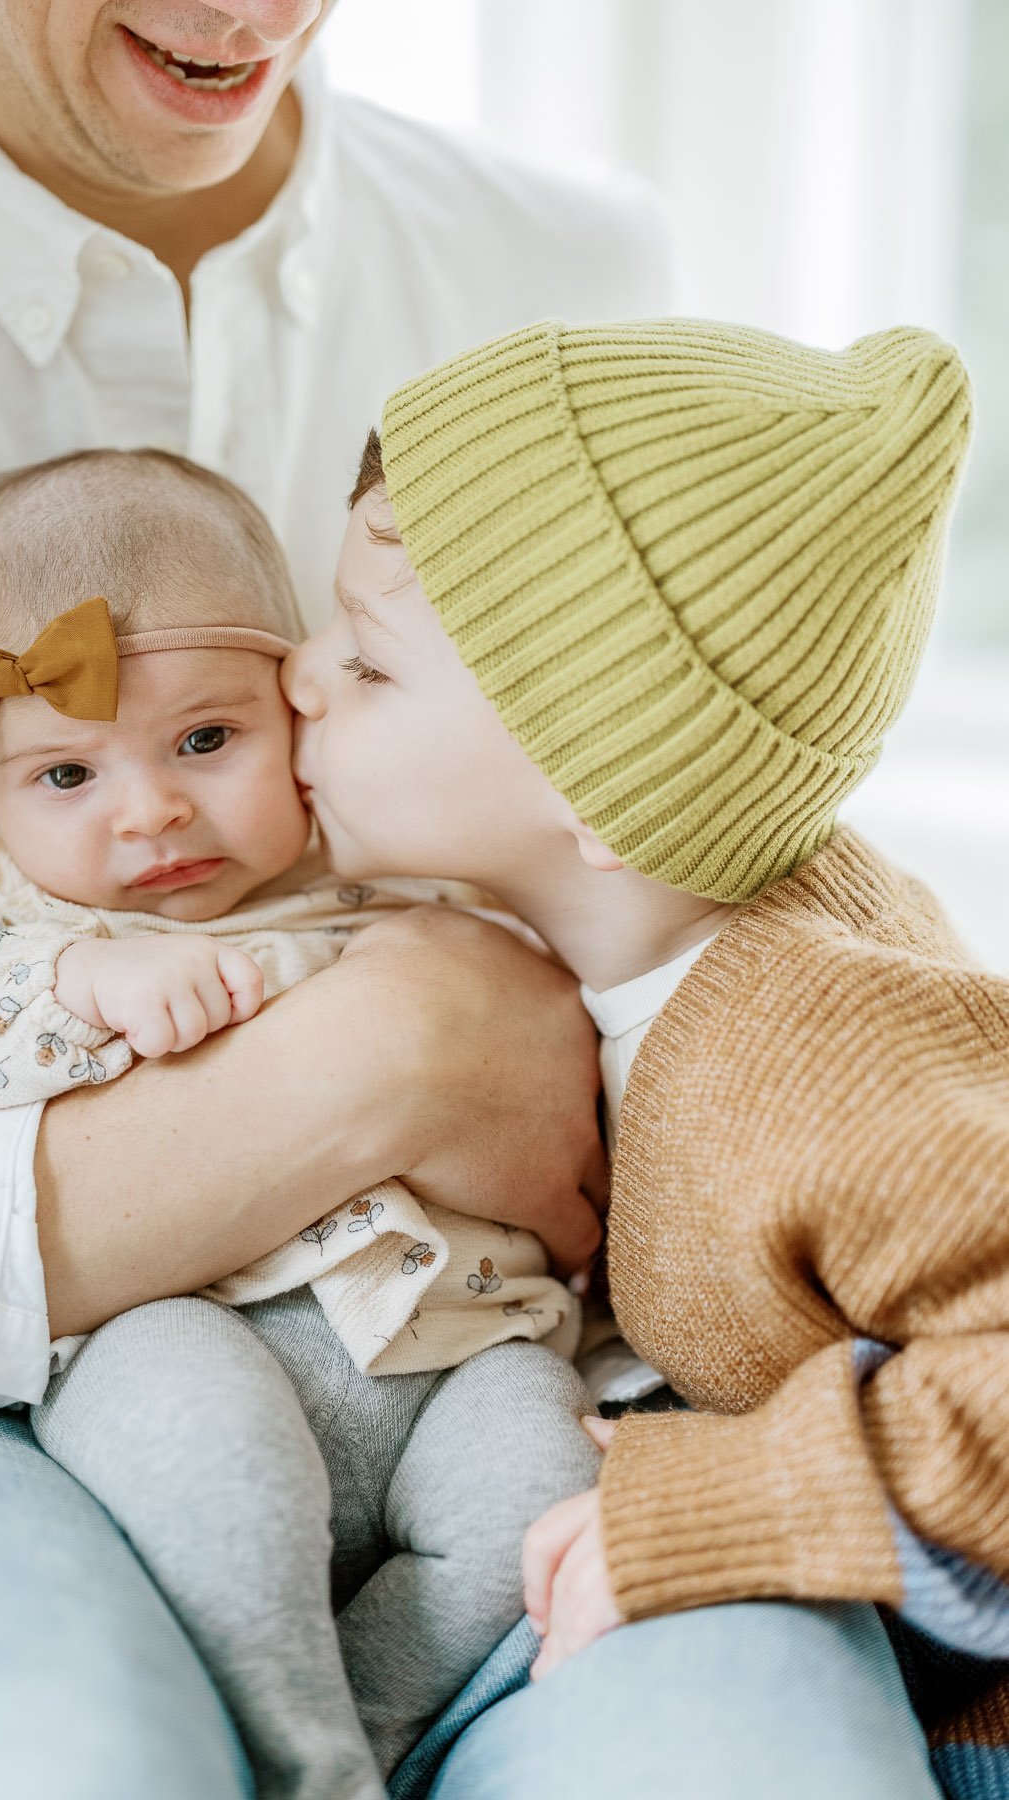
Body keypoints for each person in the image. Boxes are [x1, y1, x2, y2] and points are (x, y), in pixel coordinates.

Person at [0, 3, 659, 1792]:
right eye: (64, 772)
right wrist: (393, 1055)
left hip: (501, 1349)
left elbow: (713, 936)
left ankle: (346, 1729)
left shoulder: (574, 274)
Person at [282, 313, 1005, 1797]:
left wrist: (727, 1503)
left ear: (597, 777)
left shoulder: (813, 1054)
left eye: (366, 664)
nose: (296, 675)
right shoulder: (625, 933)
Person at [0, 443, 597, 1797]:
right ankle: (291, 1738)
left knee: (537, 1490)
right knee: (213, 1477)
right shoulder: (27, 920)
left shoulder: (385, 851)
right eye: (64, 778)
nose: (149, 810)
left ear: (296, 705)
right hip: (181, 1328)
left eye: (207, 741)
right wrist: (85, 982)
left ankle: (351, 1742)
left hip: (453, 1348)